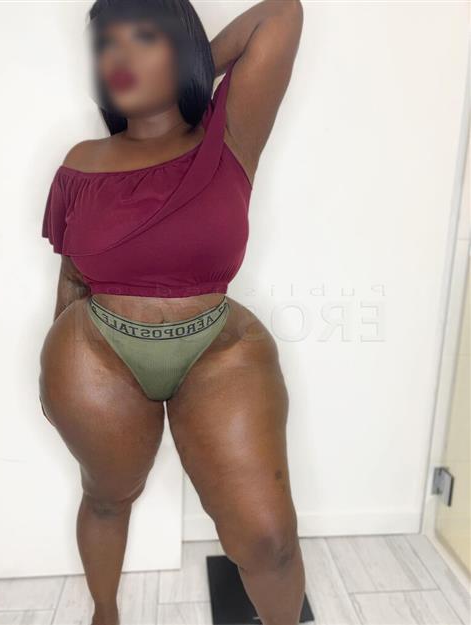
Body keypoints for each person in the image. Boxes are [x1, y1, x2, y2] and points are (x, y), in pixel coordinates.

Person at [39, 1, 305, 623]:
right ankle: (105, 613)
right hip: (95, 353)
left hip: (219, 350)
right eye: (106, 42)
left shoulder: (227, 137)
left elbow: (281, 14)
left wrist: (190, 72)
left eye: (143, 36)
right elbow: (72, 274)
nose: (119, 55)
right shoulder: (80, 162)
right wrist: (52, 373)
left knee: (267, 540)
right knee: (107, 499)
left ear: (180, 47)